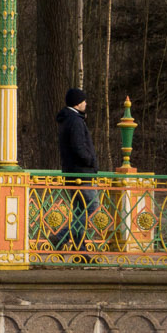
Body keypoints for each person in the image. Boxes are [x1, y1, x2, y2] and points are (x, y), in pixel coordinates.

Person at [55, 89, 99, 254]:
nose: (86, 103)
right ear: (77, 102)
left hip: (73, 173)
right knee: (92, 206)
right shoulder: (75, 121)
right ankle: (63, 236)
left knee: (80, 210)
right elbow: (79, 147)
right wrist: (91, 161)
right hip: (81, 173)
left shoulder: (68, 120)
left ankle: (79, 248)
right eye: (84, 101)